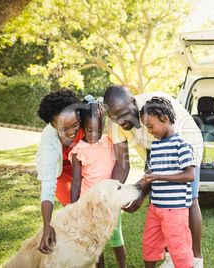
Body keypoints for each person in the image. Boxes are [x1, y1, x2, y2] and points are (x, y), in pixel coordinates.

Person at [104, 85, 204, 268]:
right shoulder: (116, 120)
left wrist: (145, 187)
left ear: (133, 102)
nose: (119, 121)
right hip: (156, 151)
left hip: (185, 144)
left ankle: (196, 259)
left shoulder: (159, 108)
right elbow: (122, 162)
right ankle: (169, 258)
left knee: (190, 200)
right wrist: (118, 192)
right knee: (159, 203)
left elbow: (173, 162)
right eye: (114, 118)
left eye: (123, 114)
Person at [68, 95, 126, 268]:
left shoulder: (109, 142)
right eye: (90, 130)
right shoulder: (78, 151)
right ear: (82, 127)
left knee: (115, 234)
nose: (95, 134)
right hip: (91, 203)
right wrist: (73, 208)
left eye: (99, 130)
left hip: (110, 201)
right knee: (95, 239)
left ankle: (123, 266)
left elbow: (121, 165)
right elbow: (76, 182)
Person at [139, 97, 195, 268]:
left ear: (165, 118)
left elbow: (190, 175)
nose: (149, 131)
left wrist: (159, 177)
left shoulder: (182, 144)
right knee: (150, 244)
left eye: (150, 126)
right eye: (146, 127)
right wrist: (135, 188)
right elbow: (150, 173)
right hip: (155, 208)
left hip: (175, 210)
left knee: (179, 249)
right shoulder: (155, 146)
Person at [36, 90, 84, 253]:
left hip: (84, 165)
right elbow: (48, 186)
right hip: (62, 171)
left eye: (75, 124)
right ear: (53, 126)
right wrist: (47, 225)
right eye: (64, 129)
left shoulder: (84, 118)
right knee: (73, 213)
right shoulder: (49, 142)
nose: (72, 131)